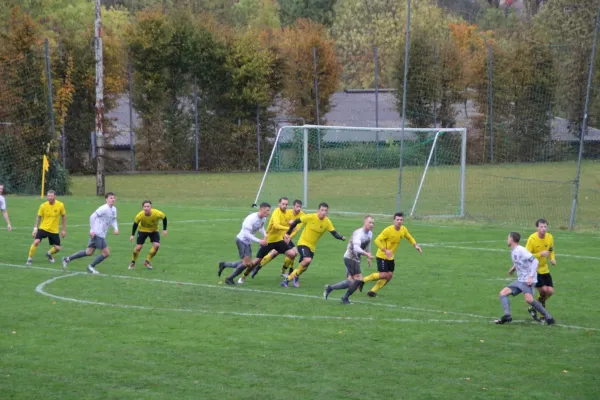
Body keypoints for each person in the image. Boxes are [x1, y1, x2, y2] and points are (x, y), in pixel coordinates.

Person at [495, 231, 555, 326]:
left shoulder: (521, 250)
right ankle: (507, 316)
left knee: (529, 300)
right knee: (503, 293)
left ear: (511, 239)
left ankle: (549, 318)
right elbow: (520, 261)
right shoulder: (514, 250)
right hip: (520, 280)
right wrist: (513, 268)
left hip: (527, 280)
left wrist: (531, 276)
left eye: (508, 237)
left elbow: (535, 261)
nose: (507, 239)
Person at [281, 202, 346, 288]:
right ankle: (293, 277)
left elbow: (334, 233)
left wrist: (341, 237)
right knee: (307, 260)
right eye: (322, 210)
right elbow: (296, 221)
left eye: (325, 210)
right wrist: (288, 233)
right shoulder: (310, 217)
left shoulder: (327, 222)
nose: (323, 212)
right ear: (318, 210)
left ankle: (289, 279)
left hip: (312, 247)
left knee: (305, 266)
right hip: (303, 243)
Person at [237, 197, 297, 284]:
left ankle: (284, 273)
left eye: (286, 204)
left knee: (292, 254)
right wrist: (289, 228)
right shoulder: (276, 212)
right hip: (269, 241)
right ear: (279, 204)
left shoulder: (287, 214)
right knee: (256, 261)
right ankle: (244, 276)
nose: (285, 206)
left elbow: (288, 222)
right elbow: (276, 225)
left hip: (279, 240)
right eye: (283, 204)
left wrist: (292, 224)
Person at [362, 212, 422, 297]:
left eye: (401, 220)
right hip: (382, 256)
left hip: (390, 257)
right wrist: (385, 250)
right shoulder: (388, 230)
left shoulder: (403, 229)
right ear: (394, 220)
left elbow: (409, 237)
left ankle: (372, 291)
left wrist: (415, 245)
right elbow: (377, 240)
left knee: (389, 276)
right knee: (384, 275)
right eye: (397, 219)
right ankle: (363, 280)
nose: (399, 221)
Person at [62, 192, 119, 274]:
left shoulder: (114, 209)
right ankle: (91, 267)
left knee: (89, 252)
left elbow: (114, 219)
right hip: (97, 234)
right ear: (106, 199)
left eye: (114, 198)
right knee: (106, 253)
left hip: (99, 234)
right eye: (110, 198)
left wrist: (116, 228)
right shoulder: (103, 208)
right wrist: (92, 230)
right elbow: (92, 216)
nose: (113, 199)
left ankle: (67, 259)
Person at [249, 198, 305, 280]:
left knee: (293, 253)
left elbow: (296, 229)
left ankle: (285, 271)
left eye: (300, 207)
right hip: (279, 237)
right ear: (293, 206)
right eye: (297, 206)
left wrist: (289, 236)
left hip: (286, 237)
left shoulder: (302, 216)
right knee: (275, 254)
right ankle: (258, 267)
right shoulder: (287, 212)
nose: (298, 208)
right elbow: (281, 225)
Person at [324, 215, 374, 304]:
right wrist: (366, 254)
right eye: (369, 222)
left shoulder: (370, 233)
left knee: (351, 282)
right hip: (350, 258)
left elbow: (368, 245)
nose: (371, 224)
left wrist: (368, 256)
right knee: (359, 279)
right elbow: (356, 248)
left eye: (373, 223)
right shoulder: (358, 233)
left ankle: (330, 288)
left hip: (355, 259)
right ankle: (345, 298)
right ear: (364, 222)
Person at [217, 202, 270, 285]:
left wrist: (265, 234)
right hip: (241, 240)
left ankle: (224, 264)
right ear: (261, 209)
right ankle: (229, 278)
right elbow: (246, 234)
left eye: (268, 211)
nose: (268, 212)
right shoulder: (251, 219)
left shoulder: (263, 218)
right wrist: (259, 241)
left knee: (248, 264)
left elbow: (260, 226)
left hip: (247, 242)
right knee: (247, 264)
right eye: (266, 210)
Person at [525, 218, 556, 321]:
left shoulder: (550, 237)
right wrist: (539, 254)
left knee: (550, 291)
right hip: (535, 269)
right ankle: (541, 310)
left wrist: (552, 259)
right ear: (537, 228)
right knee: (543, 290)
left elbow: (551, 250)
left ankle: (533, 306)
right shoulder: (532, 239)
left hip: (545, 269)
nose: (543, 229)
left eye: (545, 227)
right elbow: (526, 255)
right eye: (541, 227)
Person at [26, 190, 66, 264]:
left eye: (51, 196)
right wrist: (35, 229)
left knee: (57, 248)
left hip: (54, 230)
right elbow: (38, 217)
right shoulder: (43, 206)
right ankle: (29, 258)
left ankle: (49, 254)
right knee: (36, 242)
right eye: (48, 196)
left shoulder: (60, 205)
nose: (50, 197)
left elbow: (63, 216)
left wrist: (63, 230)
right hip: (43, 228)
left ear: (55, 196)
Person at [129, 200, 167, 270]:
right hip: (142, 231)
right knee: (138, 248)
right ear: (142, 208)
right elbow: (135, 224)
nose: (146, 208)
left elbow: (164, 218)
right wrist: (132, 235)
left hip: (154, 231)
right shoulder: (139, 215)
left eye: (148, 206)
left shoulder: (157, 213)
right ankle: (133, 262)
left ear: (151, 207)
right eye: (144, 207)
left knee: (157, 246)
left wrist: (164, 229)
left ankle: (147, 261)